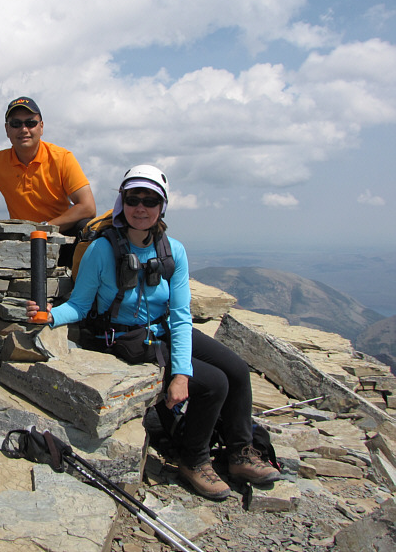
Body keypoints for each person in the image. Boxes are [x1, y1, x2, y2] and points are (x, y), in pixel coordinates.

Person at [26, 165, 281, 500]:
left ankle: (239, 451)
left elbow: (180, 314)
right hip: (122, 339)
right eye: (133, 199)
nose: (141, 207)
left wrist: (180, 371)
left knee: (235, 369)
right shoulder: (102, 250)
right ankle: (194, 459)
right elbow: (81, 305)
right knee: (213, 383)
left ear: (163, 206)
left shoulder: (173, 250)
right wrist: (48, 316)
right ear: (122, 202)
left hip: (160, 330)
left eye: (150, 200)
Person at [0, 96, 96, 239]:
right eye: (16, 124)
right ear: (7, 129)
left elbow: (88, 207)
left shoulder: (62, 157)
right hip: (21, 237)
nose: (24, 129)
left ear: (41, 127)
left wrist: (44, 229)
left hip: (60, 233)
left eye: (30, 123)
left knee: (87, 227)